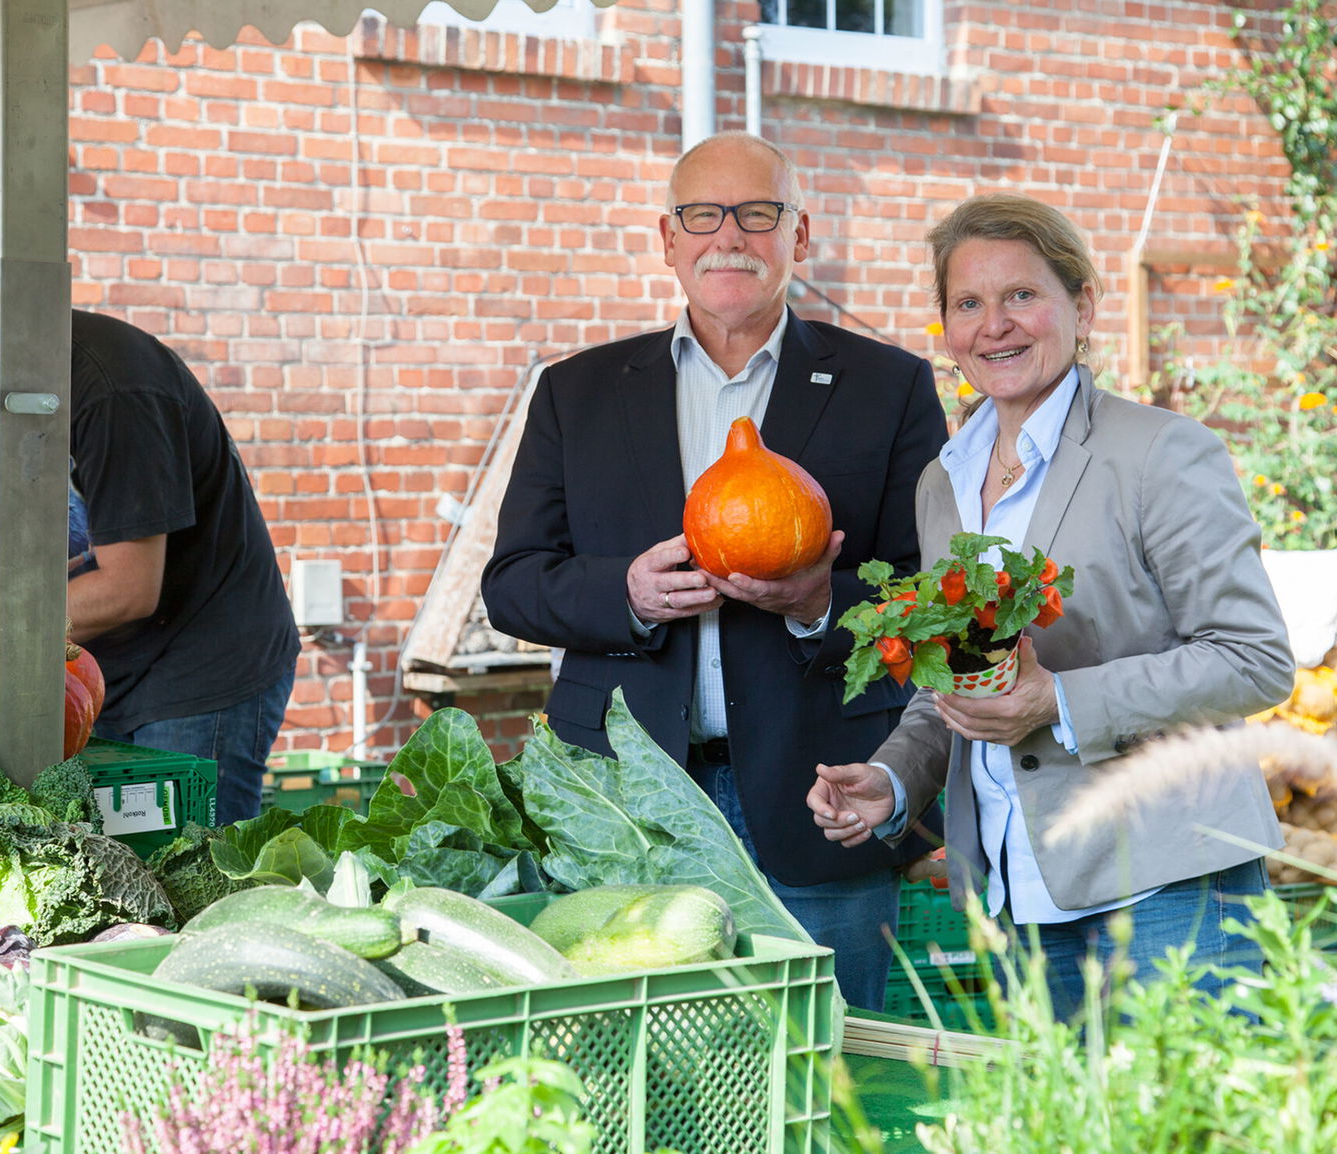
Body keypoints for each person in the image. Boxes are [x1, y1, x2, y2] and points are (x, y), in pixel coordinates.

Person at [481, 131, 949, 1010]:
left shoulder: (889, 387)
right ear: (667, 238)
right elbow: (512, 581)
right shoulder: (575, 392)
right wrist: (624, 594)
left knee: (829, 1069)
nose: (728, 234)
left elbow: (926, 599)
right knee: (633, 1069)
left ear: (799, 237)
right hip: (621, 803)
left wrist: (819, 602)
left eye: (758, 213)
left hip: (820, 798)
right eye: (702, 214)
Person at [806, 193, 1295, 1020]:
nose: (994, 325)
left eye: (1022, 296)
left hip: (1166, 882)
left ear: (1082, 307)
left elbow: (1254, 657)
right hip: (1017, 897)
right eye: (969, 303)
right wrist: (894, 777)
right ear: (948, 327)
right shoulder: (945, 482)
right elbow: (958, 676)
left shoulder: (1159, 454)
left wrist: (1060, 701)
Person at [0, 209, 300, 826]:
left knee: (191, 873)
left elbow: (129, 589)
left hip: (204, 664)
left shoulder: (112, 385)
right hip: (94, 670)